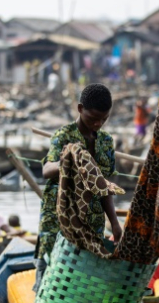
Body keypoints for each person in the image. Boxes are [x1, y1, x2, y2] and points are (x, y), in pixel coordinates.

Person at [34, 83, 122, 290]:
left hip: (91, 218)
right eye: (93, 119)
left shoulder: (106, 142)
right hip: (59, 216)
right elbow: (47, 170)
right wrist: (71, 159)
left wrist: (115, 224)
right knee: (51, 273)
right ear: (80, 109)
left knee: (85, 275)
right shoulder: (63, 136)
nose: (98, 124)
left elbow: (104, 186)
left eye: (104, 119)